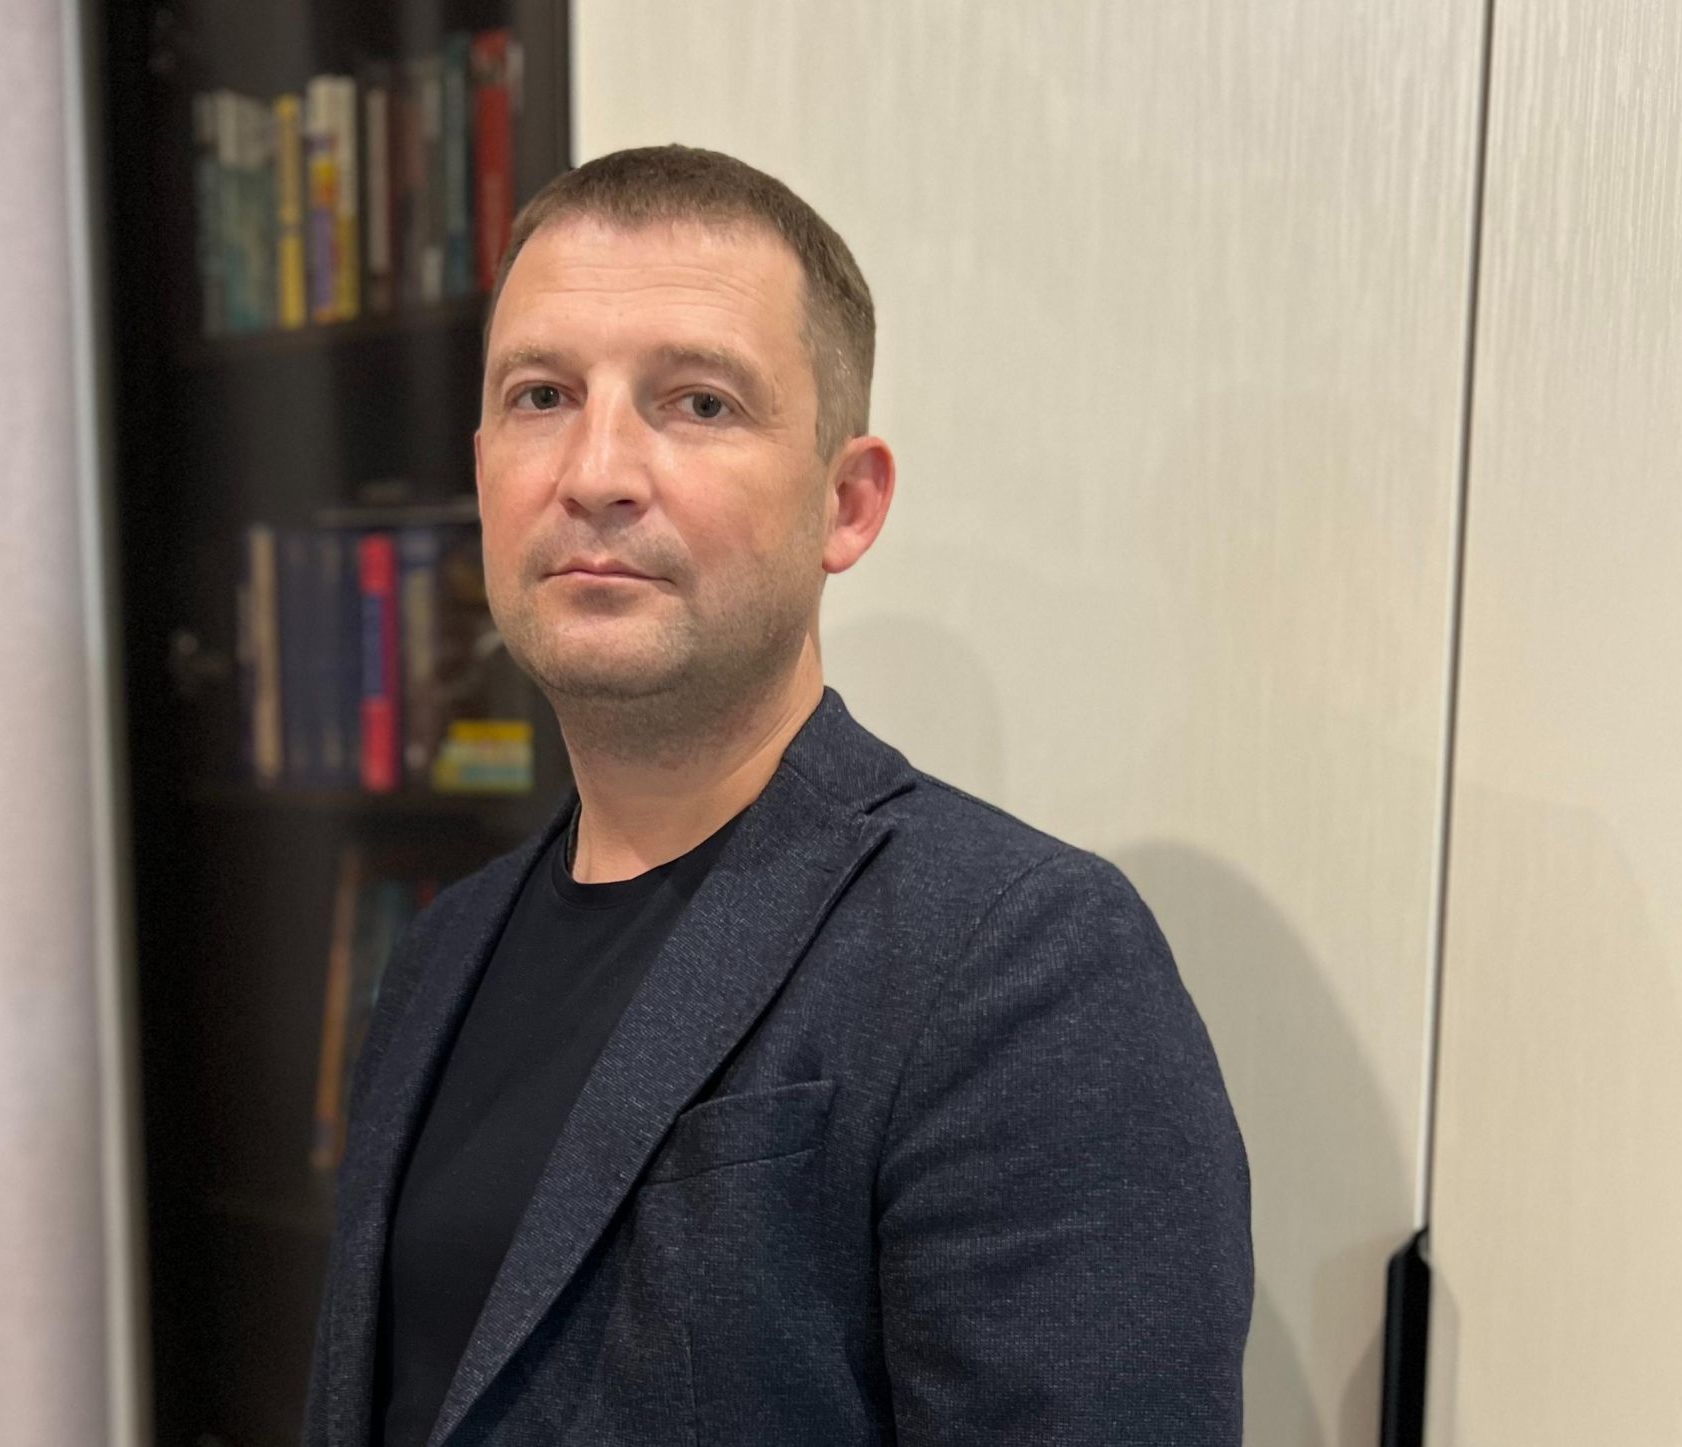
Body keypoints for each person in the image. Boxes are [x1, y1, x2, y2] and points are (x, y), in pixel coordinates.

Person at [303, 144, 1251, 1447]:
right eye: (541, 396)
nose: (594, 470)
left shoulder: (1022, 961)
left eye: (698, 402)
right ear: (482, 473)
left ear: (846, 504)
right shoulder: (438, 953)